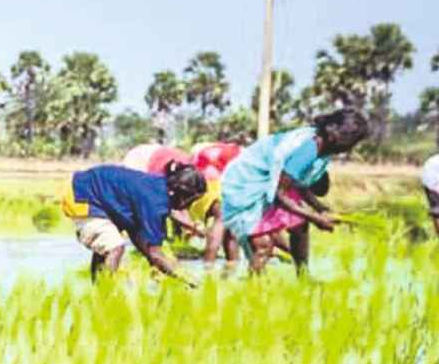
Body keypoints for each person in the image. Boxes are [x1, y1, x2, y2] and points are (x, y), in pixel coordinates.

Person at [220, 109, 370, 274]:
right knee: (263, 246)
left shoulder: (322, 149)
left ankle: (303, 275)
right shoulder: (308, 150)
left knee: (299, 224)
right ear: (340, 136)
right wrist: (315, 218)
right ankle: (252, 289)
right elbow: (280, 195)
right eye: (352, 142)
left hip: (269, 183)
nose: (350, 148)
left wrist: (322, 209)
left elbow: (298, 183)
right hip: (247, 185)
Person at [61, 163, 207, 284]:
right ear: (176, 193)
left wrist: (158, 267)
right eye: (190, 201)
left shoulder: (159, 189)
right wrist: (189, 280)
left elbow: (140, 239)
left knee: (106, 246)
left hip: (94, 192)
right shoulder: (155, 203)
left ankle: (98, 293)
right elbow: (156, 254)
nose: (189, 207)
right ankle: (104, 299)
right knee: (115, 247)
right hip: (82, 195)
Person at [121, 144, 236, 265]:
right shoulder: (161, 181)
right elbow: (168, 209)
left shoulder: (191, 178)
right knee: (150, 215)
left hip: (163, 161)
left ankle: (164, 248)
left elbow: (179, 206)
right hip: (143, 160)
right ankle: (155, 252)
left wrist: (192, 226)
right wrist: (194, 228)